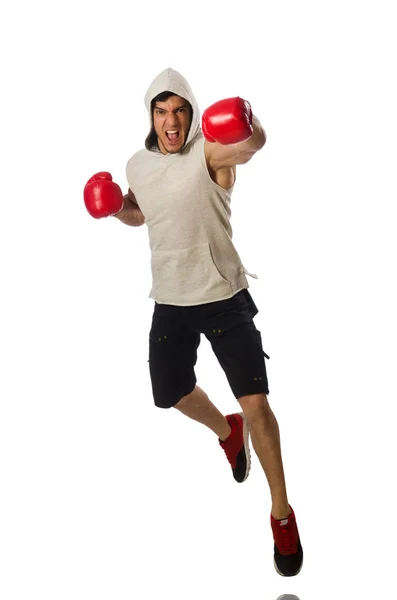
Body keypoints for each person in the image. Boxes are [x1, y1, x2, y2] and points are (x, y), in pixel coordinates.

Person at [83, 68, 303, 577]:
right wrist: (117, 207)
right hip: (172, 298)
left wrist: (250, 122)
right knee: (170, 393)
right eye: (161, 112)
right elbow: (144, 214)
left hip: (223, 294)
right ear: (151, 118)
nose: (171, 121)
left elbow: (253, 145)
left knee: (258, 408)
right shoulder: (137, 163)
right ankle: (225, 430)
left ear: (191, 111)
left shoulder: (210, 151)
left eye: (179, 109)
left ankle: (281, 514)